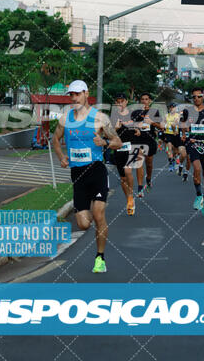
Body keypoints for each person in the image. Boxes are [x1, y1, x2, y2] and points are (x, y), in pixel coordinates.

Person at [52, 80, 122, 273]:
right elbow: (55, 140)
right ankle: (98, 224)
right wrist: (61, 157)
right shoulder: (65, 119)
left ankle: (100, 258)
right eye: (71, 95)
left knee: (99, 214)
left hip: (96, 170)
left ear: (86, 94)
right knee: (83, 224)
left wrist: (105, 142)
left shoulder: (99, 118)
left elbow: (118, 141)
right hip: (78, 174)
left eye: (77, 94)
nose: (73, 98)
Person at [180, 86, 204, 216]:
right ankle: (198, 195)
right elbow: (184, 124)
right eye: (194, 97)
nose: (196, 99)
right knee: (196, 168)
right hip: (193, 144)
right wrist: (184, 134)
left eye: (199, 96)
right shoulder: (188, 111)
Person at [111, 93, 141, 215]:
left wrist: (138, 130)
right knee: (123, 178)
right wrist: (116, 128)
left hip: (131, 146)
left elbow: (139, 127)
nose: (120, 104)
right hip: (119, 147)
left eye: (122, 101)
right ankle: (129, 198)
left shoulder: (132, 114)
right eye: (117, 102)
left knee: (128, 170)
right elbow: (108, 132)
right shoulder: (113, 115)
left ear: (126, 102)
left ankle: (131, 194)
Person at [130, 93, 161, 195]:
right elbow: (130, 124)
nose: (144, 101)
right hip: (138, 139)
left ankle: (148, 178)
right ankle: (140, 187)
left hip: (150, 139)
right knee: (139, 160)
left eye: (146, 99)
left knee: (149, 163)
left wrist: (152, 122)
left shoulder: (154, 112)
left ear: (150, 101)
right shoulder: (135, 112)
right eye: (142, 99)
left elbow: (161, 127)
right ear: (140, 101)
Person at [162, 103, 181, 172]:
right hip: (168, 134)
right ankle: (171, 163)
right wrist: (163, 126)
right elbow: (163, 124)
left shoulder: (178, 115)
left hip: (175, 134)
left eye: (173, 107)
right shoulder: (166, 116)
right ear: (169, 108)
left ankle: (176, 158)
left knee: (176, 151)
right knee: (169, 148)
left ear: (176, 108)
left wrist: (174, 128)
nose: (172, 108)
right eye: (171, 107)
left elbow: (176, 123)